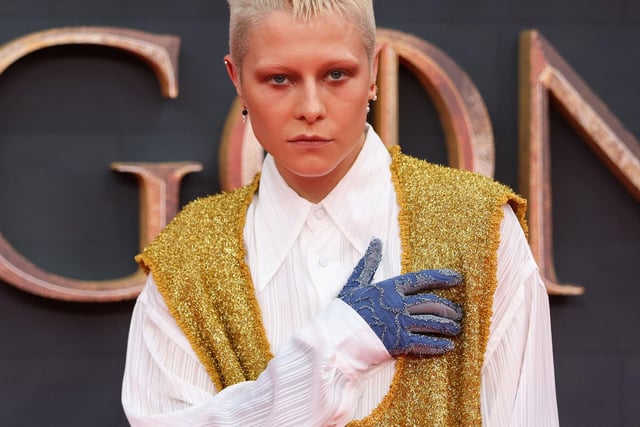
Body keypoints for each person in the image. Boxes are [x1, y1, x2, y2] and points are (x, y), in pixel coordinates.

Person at [122, 0, 559, 425]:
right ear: (237, 79)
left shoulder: (478, 226)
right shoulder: (188, 258)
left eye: (336, 74)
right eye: (279, 79)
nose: (310, 108)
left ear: (372, 71)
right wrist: (339, 343)